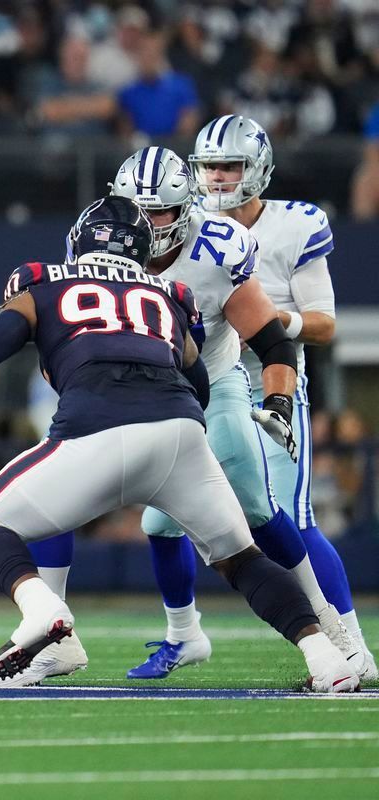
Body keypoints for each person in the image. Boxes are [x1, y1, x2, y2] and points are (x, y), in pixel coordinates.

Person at [0, 195, 357, 694]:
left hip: (97, 428)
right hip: (180, 434)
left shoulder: (42, 283)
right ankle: (326, 657)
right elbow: (197, 376)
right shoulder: (172, 294)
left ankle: (46, 611)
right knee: (242, 559)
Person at [24, 145, 362, 683]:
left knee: (253, 507)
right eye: (135, 208)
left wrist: (275, 399)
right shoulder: (94, 236)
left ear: (185, 208)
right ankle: (53, 634)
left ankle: (331, 629)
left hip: (211, 378)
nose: (145, 222)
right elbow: (61, 329)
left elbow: (271, 342)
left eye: (159, 211)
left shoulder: (219, 247)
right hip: (118, 378)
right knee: (52, 490)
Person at [190, 114, 376, 679]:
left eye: (230, 166)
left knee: (291, 518)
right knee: (174, 514)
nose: (218, 178)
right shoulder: (184, 221)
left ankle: (352, 646)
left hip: (273, 381)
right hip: (208, 382)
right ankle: (181, 632)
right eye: (210, 167)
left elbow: (324, 325)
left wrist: (263, 321)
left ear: (258, 170)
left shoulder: (294, 226)